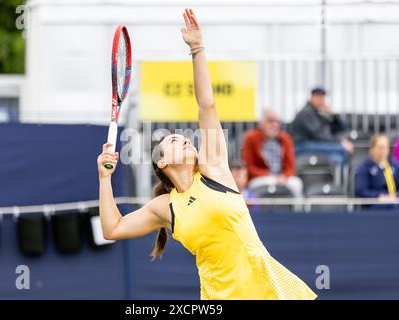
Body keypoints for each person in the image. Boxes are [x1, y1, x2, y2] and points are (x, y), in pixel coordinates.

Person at [97, 8, 316, 300]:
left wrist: (197, 49)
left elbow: (206, 105)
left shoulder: (214, 169)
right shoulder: (165, 207)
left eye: (184, 137)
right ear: (162, 161)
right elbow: (113, 228)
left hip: (272, 291)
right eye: (174, 140)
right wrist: (104, 178)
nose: (185, 140)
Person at [241, 109, 303, 198]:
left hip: (282, 177)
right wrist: (268, 175)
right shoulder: (250, 138)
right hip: (261, 178)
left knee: (296, 184)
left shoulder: (286, 139)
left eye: (277, 122)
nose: (275, 124)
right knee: (258, 185)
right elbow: (249, 167)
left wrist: (284, 176)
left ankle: (297, 211)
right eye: (270, 121)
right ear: (261, 124)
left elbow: (290, 166)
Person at [288, 87, 354, 166]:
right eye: (318, 97)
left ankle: (339, 177)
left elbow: (340, 129)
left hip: (312, 145)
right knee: (342, 149)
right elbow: (319, 135)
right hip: (300, 146)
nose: (321, 100)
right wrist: (340, 143)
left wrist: (332, 115)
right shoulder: (306, 113)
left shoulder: (318, 113)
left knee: (338, 157)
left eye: (323, 97)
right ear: (312, 97)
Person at [355, 134, 399, 209]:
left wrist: (395, 196)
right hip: (374, 205)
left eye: (386, 147)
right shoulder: (364, 168)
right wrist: (379, 196)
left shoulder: (395, 166)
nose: (383, 151)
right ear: (372, 149)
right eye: (380, 148)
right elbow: (361, 190)